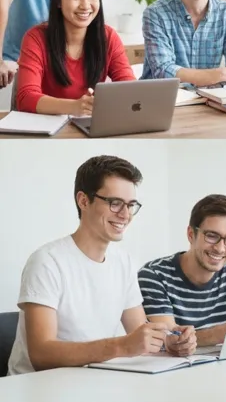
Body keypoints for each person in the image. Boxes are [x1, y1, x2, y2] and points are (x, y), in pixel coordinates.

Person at [7, 155, 180, 375]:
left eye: (131, 205)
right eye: (115, 203)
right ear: (83, 201)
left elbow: (139, 337)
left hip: (92, 382)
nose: (125, 215)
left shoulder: (123, 262)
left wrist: (168, 342)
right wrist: (121, 346)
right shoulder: (47, 262)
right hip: (37, 389)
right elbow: (41, 355)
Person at [138, 194, 226, 350]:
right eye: (211, 236)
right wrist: (223, 333)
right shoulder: (154, 275)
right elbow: (171, 340)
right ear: (190, 234)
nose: (220, 248)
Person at [14, 0, 133, 115]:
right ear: (58, 0)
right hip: (46, 130)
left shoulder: (108, 36)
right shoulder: (35, 38)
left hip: (90, 128)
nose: (85, 5)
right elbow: (25, 98)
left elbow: (129, 87)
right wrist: (75, 107)